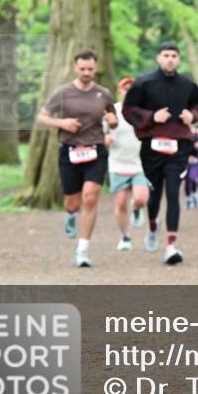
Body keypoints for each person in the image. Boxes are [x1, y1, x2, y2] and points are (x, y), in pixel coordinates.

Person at [122, 41, 198, 265]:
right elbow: (128, 110)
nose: (170, 59)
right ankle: (152, 225)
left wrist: (193, 115)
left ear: (179, 60)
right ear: (158, 58)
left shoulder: (188, 84)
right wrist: (151, 117)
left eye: (174, 56)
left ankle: (171, 245)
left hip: (179, 145)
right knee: (155, 193)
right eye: (166, 55)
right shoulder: (143, 83)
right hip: (152, 146)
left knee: (172, 192)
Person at [35, 50, 117, 267]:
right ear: (75, 68)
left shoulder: (104, 94)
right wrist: (62, 123)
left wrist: (113, 121)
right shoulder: (62, 93)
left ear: (96, 68)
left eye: (90, 69)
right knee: (73, 202)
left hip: (96, 150)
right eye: (82, 69)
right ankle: (70, 214)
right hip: (69, 151)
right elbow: (42, 118)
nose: (86, 73)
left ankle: (83, 249)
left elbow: (113, 119)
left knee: (90, 197)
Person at [104, 77, 149, 252]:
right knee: (121, 202)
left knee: (141, 198)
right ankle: (125, 237)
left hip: (139, 163)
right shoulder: (112, 111)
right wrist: (106, 137)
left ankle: (137, 209)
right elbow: (102, 132)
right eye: (125, 89)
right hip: (118, 163)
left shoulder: (143, 111)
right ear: (119, 91)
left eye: (132, 89)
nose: (128, 92)